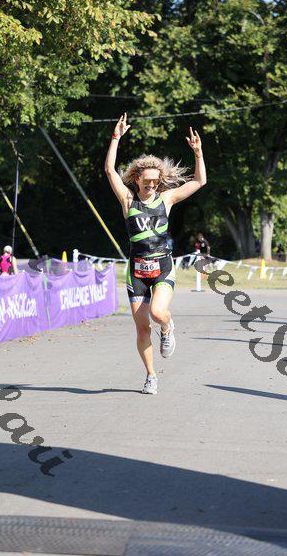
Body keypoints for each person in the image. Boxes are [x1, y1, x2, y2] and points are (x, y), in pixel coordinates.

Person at [105, 113, 207, 395]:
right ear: (136, 179)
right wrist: (116, 138)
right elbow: (110, 171)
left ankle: (167, 327)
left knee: (157, 312)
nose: (151, 185)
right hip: (136, 271)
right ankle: (151, 376)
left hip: (162, 266)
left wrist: (198, 153)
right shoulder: (128, 200)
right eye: (147, 181)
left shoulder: (166, 199)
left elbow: (199, 181)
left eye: (155, 181)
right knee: (142, 330)